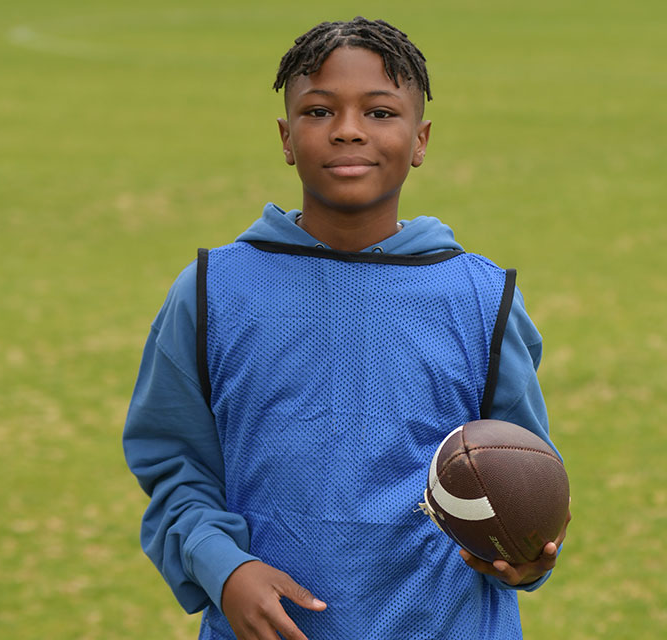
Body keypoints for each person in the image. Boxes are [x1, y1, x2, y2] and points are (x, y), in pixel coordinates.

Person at [123, 17, 568, 640]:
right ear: (286, 136)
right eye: (319, 111)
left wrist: (523, 557)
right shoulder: (210, 290)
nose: (349, 129)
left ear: (421, 139)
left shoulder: (480, 296)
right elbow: (174, 467)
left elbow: (519, 470)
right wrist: (226, 571)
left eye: (381, 112)